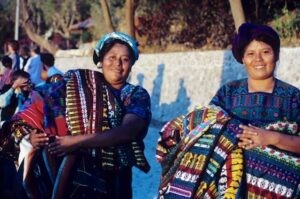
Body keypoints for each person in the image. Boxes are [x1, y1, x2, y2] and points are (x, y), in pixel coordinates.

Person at [156, 23, 300, 198]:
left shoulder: (293, 97)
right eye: (250, 54)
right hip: (227, 189)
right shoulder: (228, 92)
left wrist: (272, 137)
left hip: (279, 189)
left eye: (265, 52)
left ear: (276, 55)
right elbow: (208, 132)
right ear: (242, 58)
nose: (258, 59)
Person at [11, 32, 152, 199]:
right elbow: (39, 107)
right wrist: (31, 137)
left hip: (115, 178)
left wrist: (75, 142)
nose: (118, 64)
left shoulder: (136, 95)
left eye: (125, 59)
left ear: (132, 63)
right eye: (111, 57)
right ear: (100, 60)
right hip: (70, 179)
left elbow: (128, 131)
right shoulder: (77, 86)